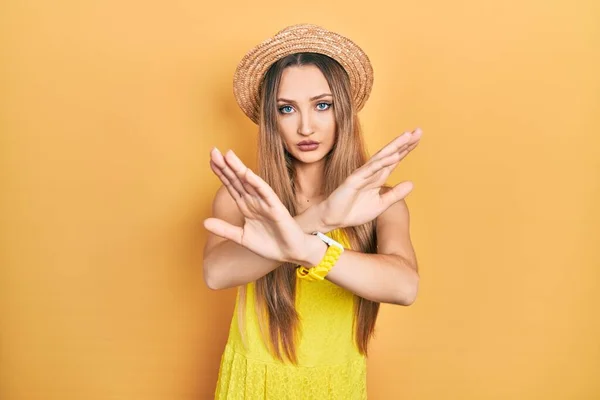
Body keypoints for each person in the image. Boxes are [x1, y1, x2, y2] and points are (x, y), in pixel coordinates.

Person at [202, 24, 422, 399]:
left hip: (335, 386)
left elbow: (404, 287)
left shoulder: (378, 203)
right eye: (287, 109)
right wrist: (320, 220)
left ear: (345, 111)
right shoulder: (245, 197)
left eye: (323, 105)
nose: (306, 126)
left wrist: (307, 248)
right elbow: (217, 273)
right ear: (272, 121)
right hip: (256, 385)